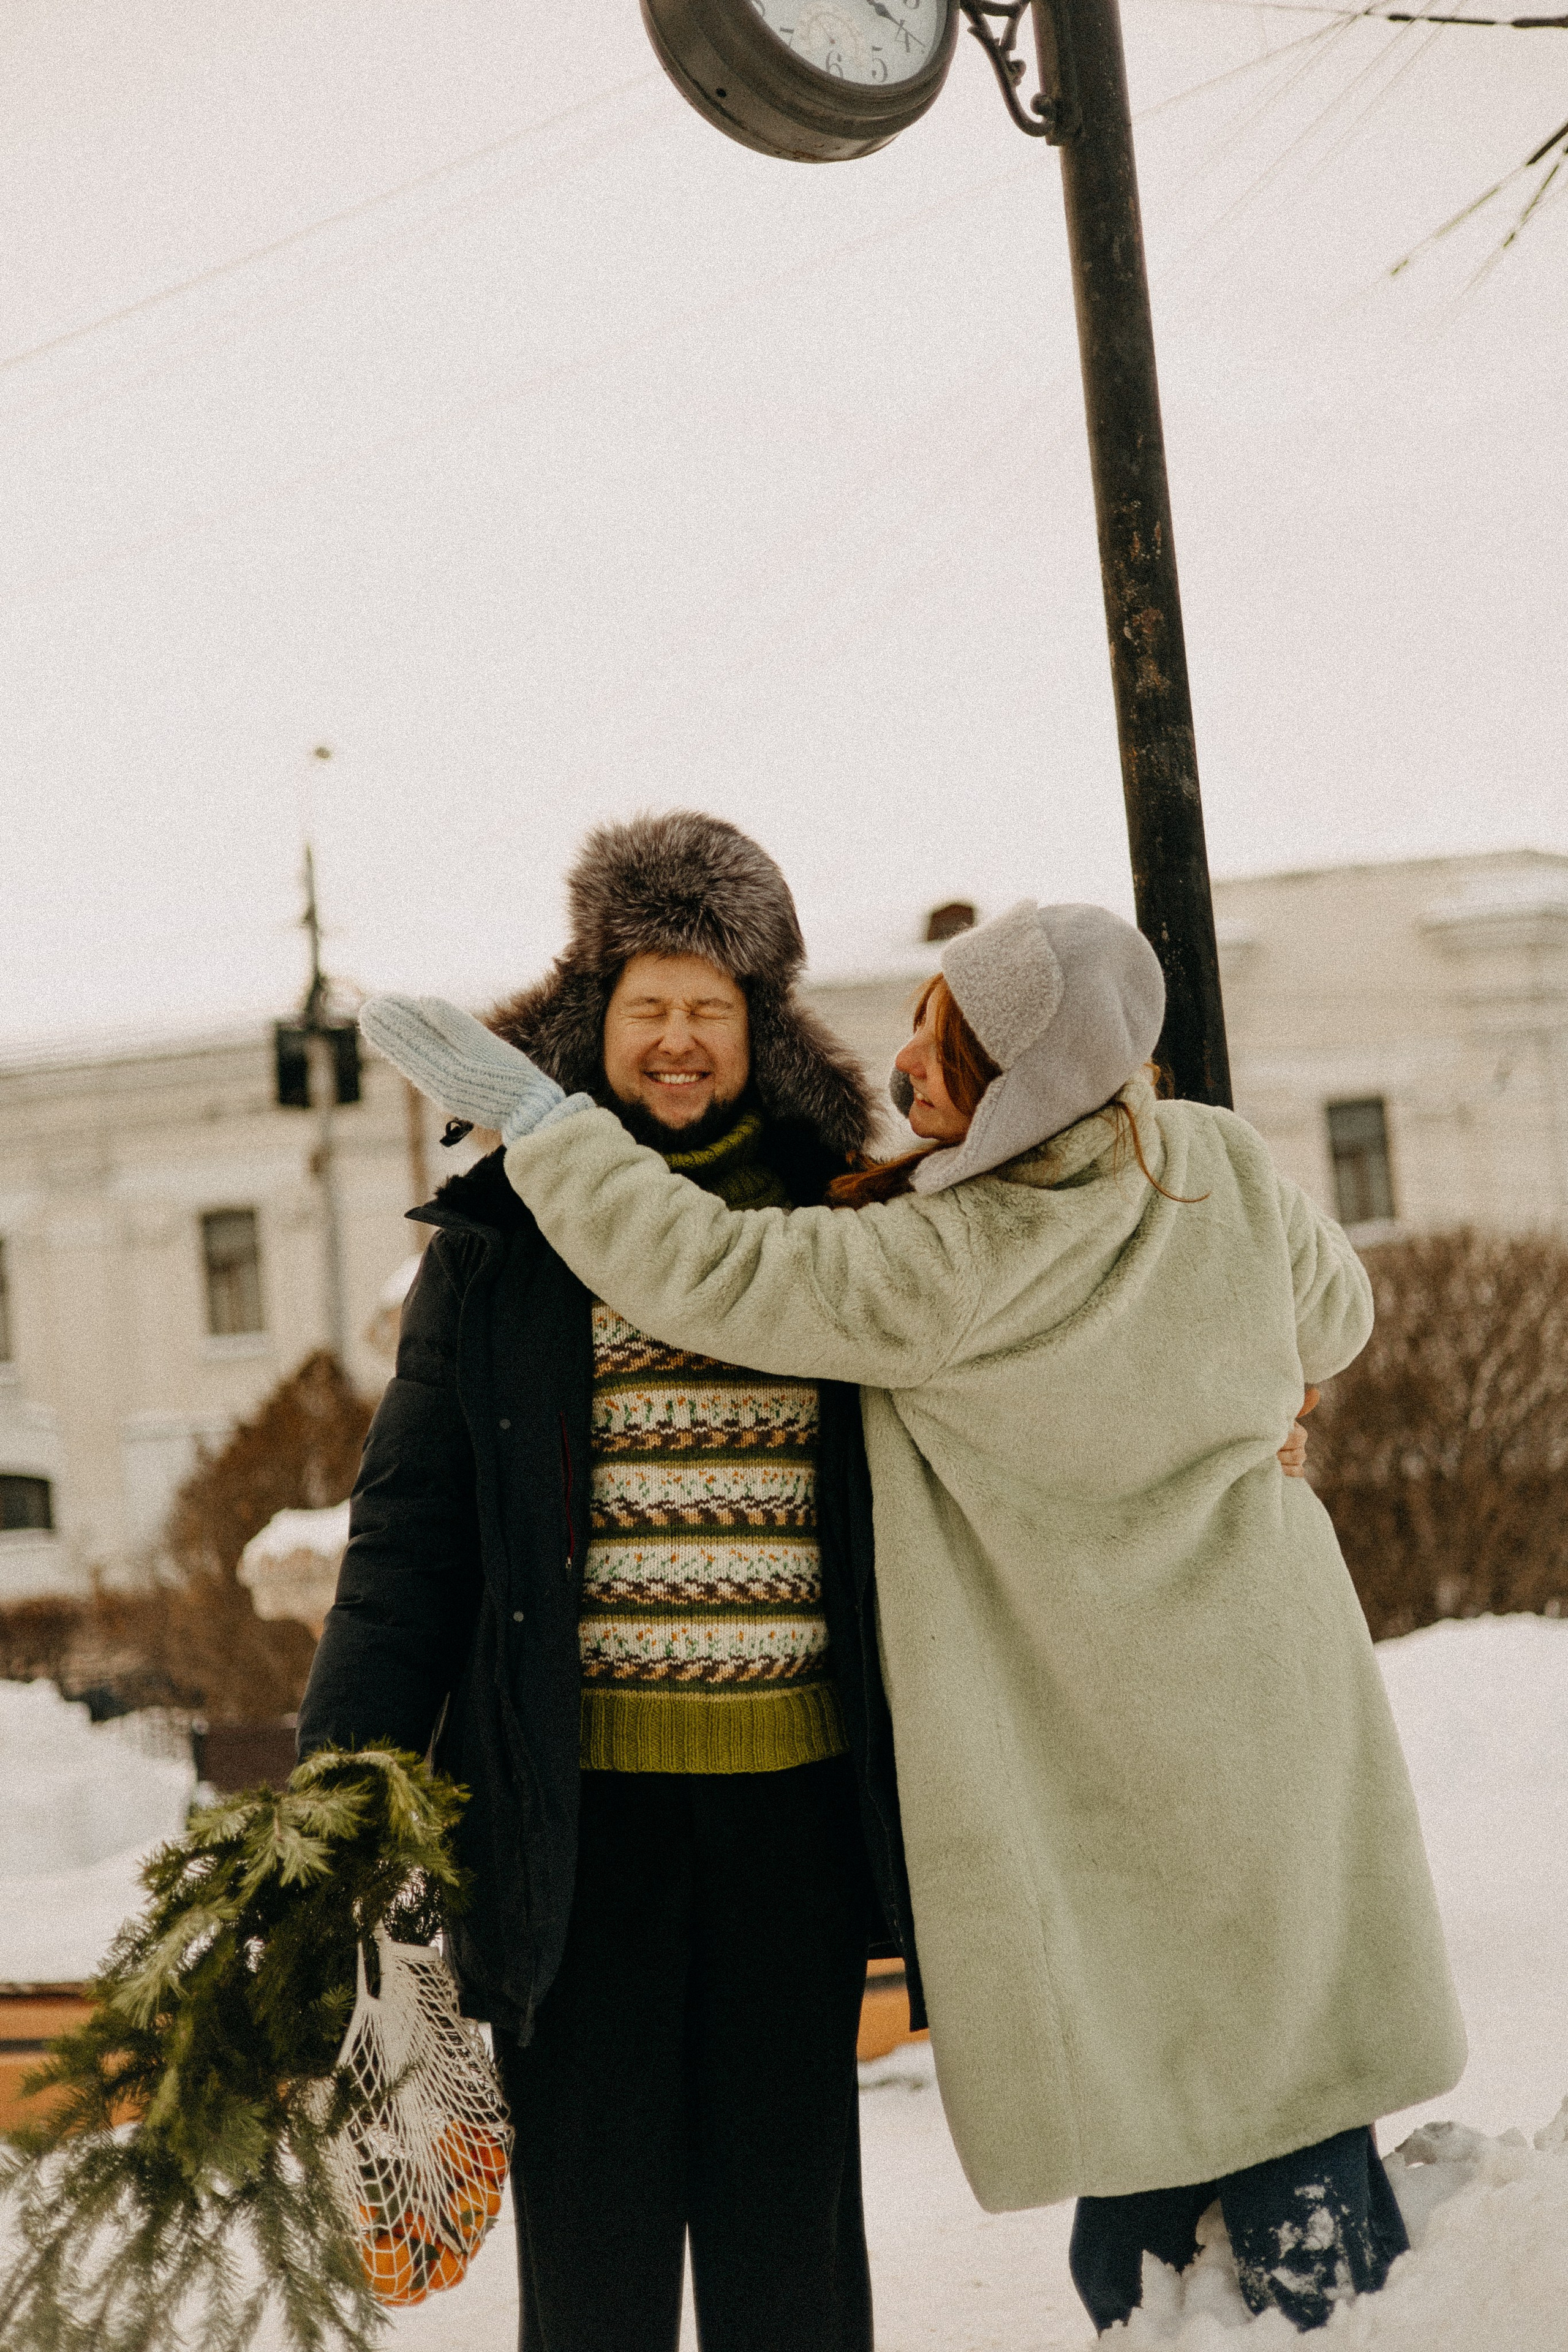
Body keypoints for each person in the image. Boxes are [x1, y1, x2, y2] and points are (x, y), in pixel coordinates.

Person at [363, 892, 1466, 2337]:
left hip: (1096, 1728)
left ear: (1029, 1076)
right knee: (1287, 2073)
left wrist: (543, 1122)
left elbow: (711, 1271)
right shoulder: (1219, 1165)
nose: (906, 1063)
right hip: (1272, 1695)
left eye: (945, 1038)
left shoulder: (946, 1264)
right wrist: (1256, 1401)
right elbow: (1333, 1321)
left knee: (1151, 2175)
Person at [299, 812, 919, 2352]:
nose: (677, 1042)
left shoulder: (835, 1210)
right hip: (574, 1814)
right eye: (648, 1007)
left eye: (710, 1008)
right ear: (596, 1017)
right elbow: (411, 1529)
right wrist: (340, 1771)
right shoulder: (503, 1238)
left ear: (758, 1025)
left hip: (795, 1806)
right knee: (594, 2246)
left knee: (792, 2237)